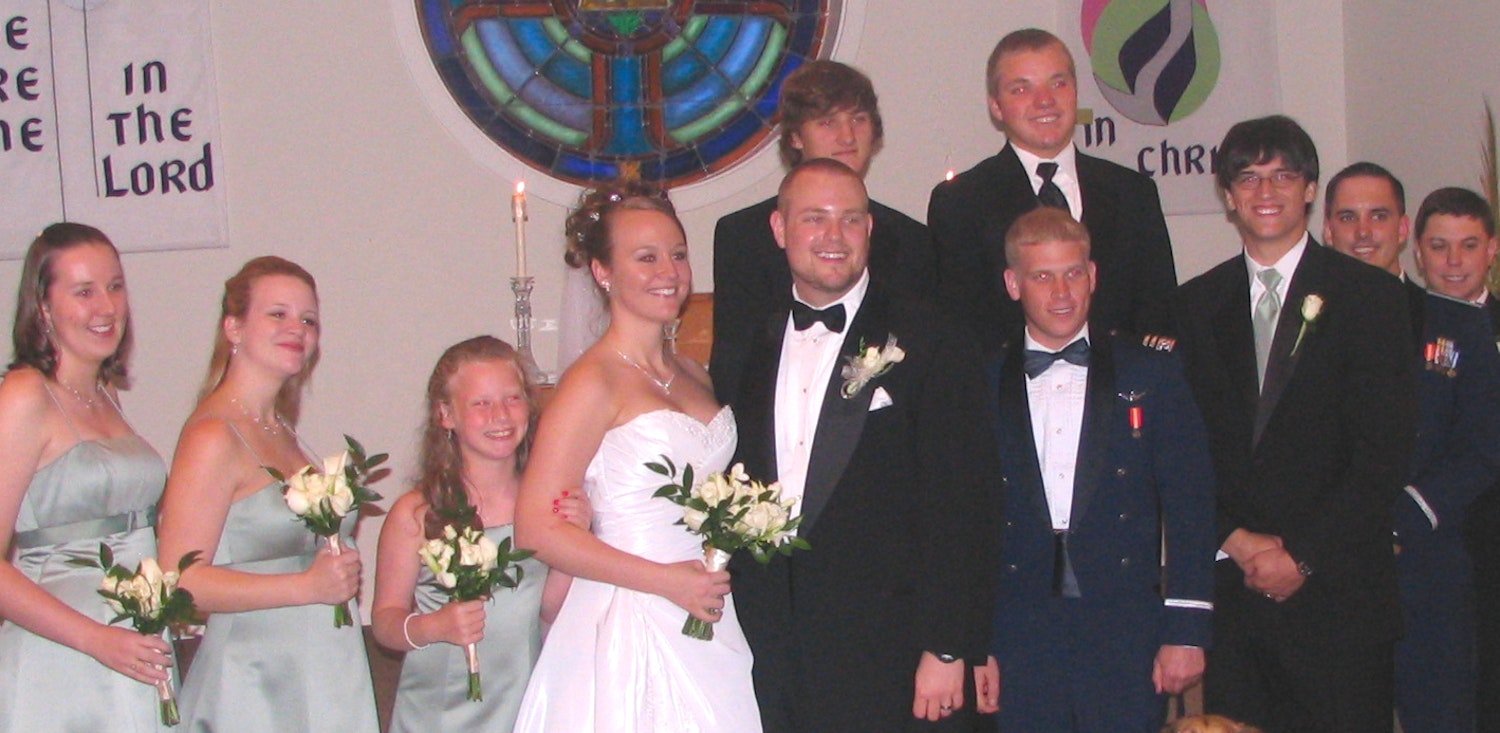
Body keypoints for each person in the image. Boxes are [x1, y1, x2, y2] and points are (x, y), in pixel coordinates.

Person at [728, 158, 999, 732]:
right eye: (814, 218)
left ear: (870, 229)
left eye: (851, 219)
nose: (834, 236)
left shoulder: (932, 339)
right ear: (779, 228)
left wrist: (948, 647)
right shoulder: (751, 343)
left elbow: (965, 505)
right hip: (773, 648)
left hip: (891, 648)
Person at [1171, 115, 1417, 732]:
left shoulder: (1373, 299)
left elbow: (1382, 454)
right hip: (1237, 600)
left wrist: (1301, 557)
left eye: (1283, 176)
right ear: (1228, 196)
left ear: (1309, 189)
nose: (1266, 191)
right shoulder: (1194, 305)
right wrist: (1235, 539)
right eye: (1248, 178)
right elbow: (1182, 454)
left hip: (1340, 598)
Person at [511, 180, 760, 732]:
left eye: (678, 254)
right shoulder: (591, 381)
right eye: (646, 257)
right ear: (603, 272)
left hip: (704, 603)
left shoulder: (694, 374)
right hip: (628, 612)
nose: (669, 271)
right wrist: (666, 581)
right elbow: (535, 527)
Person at [978, 207, 1215, 732]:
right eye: (1043, 277)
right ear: (1013, 284)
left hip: (1124, 623)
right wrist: (972, 644)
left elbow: (1191, 505)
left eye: (1073, 273)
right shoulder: (981, 381)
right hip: (1018, 628)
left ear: (1093, 275)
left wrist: (1187, 628)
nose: (1062, 292)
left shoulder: (1150, 372)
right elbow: (963, 522)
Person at [156, 256, 378, 732]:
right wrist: (305, 587)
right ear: (233, 327)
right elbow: (179, 580)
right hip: (256, 683)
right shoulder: (214, 435)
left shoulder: (283, 431)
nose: (297, 328)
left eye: (308, 320)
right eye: (278, 314)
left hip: (320, 670)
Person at [1326, 171, 1500, 733]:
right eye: (1348, 218)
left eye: (1378, 217)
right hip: (1330, 565)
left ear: (1403, 231)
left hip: (1426, 561)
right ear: (1326, 230)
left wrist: (1402, 518)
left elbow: (1483, 444)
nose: (1363, 233)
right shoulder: (1300, 322)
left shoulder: (1457, 323)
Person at [0, 223, 175, 731]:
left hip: (131, 647)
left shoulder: (105, 396)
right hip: (63, 659)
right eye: (84, 292)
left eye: (115, 287)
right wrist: (95, 638)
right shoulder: (25, 394)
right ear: (43, 307)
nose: (107, 307)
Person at [372, 336, 586, 731]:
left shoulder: (542, 505)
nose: (500, 415)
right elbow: (385, 622)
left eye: (512, 399)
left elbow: (549, 609)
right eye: (481, 403)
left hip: (521, 702)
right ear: (445, 414)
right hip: (439, 711)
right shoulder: (417, 514)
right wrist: (433, 626)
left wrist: (576, 536)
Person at [928, 27, 1176, 356]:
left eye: (1058, 84)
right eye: (1021, 89)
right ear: (996, 107)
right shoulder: (960, 202)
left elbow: (1159, 313)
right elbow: (960, 327)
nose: (1044, 100)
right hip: (1006, 382)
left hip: (1122, 380)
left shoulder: (1133, 192)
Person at [712, 59, 934, 404]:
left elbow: (923, 371)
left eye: (858, 119)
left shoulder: (912, 240)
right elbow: (733, 367)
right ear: (796, 136)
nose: (847, 137)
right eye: (828, 122)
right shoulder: (742, 236)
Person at [1407, 186, 1500, 733]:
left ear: (1492, 249)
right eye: (1439, 246)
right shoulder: (1398, 324)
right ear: (1418, 251)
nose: (1454, 261)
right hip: (1433, 538)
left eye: (1469, 245)